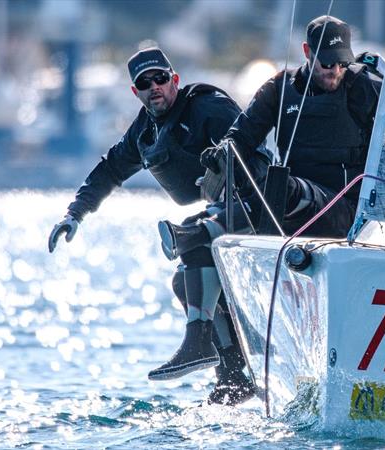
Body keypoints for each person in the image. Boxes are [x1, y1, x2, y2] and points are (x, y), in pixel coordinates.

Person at [155, 15, 383, 402]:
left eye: (341, 62)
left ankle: (202, 230)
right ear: (308, 54)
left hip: (342, 208)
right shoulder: (281, 88)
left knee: (279, 186)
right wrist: (219, 155)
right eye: (326, 62)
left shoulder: (363, 88)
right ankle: (230, 373)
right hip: (289, 208)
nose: (335, 70)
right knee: (188, 274)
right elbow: (241, 136)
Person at [47, 47, 265, 404]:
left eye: (160, 79)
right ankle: (231, 374)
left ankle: (199, 341)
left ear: (174, 80)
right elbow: (111, 169)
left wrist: (225, 165)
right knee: (184, 281)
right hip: (220, 217)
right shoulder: (144, 130)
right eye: (144, 83)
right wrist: (74, 214)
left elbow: (251, 147)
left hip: (256, 208)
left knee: (192, 243)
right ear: (136, 92)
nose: (154, 87)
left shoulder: (206, 106)